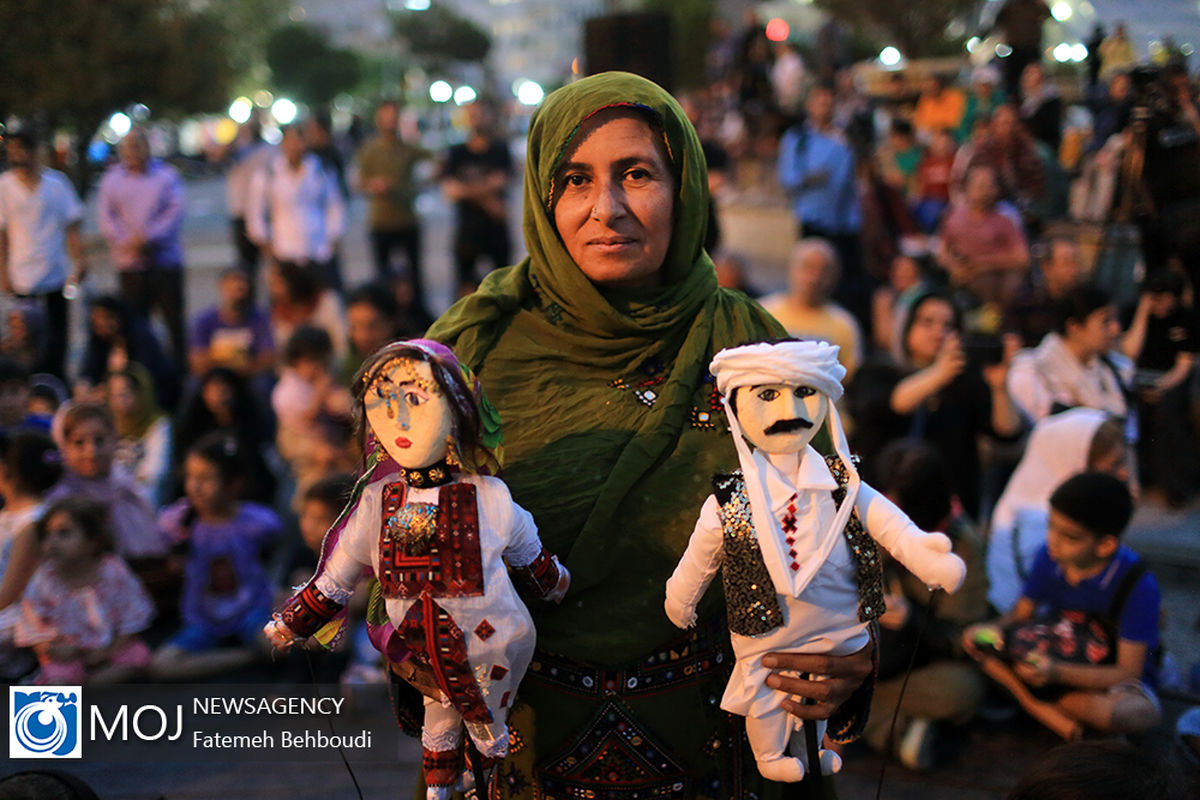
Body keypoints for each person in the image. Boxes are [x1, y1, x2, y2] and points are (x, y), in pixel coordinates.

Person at [425, 71, 875, 800]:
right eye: (575, 180)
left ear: (686, 184)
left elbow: (839, 532)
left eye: (637, 173)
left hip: (721, 751)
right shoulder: (472, 353)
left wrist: (851, 654)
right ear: (542, 198)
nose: (608, 209)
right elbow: (397, 536)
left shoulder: (750, 347)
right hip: (525, 756)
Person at [265, 340, 570, 798]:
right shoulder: (377, 501)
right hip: (424, 646)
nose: (399, 421)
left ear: (458, 412)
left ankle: (478, 781)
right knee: (440, 724)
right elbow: (337, 579)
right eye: (383, 405)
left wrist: (556, 585)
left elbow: (532, 560)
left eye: (414, 401)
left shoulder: (488, 496)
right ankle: (444, 787)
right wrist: (293, 622)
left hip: (497, 645)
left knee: (484, 733)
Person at [664, 340, 966, 782]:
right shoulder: (730, 499)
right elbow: (701, 554)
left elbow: (891, 527)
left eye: (804, 392)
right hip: (768, 629)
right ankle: (770, 757)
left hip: (836, 625)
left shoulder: (845, 482)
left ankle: (811, 752)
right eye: (768, 395)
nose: (789, 408)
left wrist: (925, 555)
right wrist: (681, 598)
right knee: (769, 691)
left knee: (818, 694)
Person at [964, 473, 1162, 740]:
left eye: (1070, 537)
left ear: (1105, 544)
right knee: (975, 644)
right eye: (1051, 526)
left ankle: (1037, 705)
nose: (1053, 541)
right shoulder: (1049, 556)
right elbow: (1023, 613)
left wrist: (1056, 674)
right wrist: (992, 629)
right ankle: (1054, 716)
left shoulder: (1137, 586)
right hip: (1053, 658)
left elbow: (1127, 672)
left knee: (1137, 714)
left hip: (1098, 678)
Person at [863, 441, 989, 772]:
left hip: (918, 662)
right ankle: (894, 728)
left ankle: (871, 722)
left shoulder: (961, 546)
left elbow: (960, 638)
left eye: (898, 512)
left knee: (963, 690)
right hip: (869, 651)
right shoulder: (866, 520)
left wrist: (911, 620)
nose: (888, 520)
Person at [849, 292, 1023, 520]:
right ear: (907, 327)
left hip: (944, 515)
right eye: (927, 322)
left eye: (948, 325)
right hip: (880, 509)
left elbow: (1007, 434)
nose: (938, 332)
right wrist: (939, 373)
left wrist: (1000, 387)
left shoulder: (965, 384)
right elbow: (894, 403)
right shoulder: (878, 371)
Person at [150, 433, 281, 680]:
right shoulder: (179, 522)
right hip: (203, 621)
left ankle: (252, 651)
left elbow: (276, 552)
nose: (195, 486)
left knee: (278, 646)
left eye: (206, 478)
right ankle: (246, 656)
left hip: (251, 614)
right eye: (190, 477)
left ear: (234, 484)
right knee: (162, 666)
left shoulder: (257, 522)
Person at [985, 408, 1128, 614]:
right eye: (1114, 464)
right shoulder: (1046, 521)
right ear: (1077, 462)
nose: (1123, 474)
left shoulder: (1026, 500)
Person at [15, 497, 155, 685]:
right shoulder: (45, 579)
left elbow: (133, 618)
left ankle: (88, 686)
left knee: (137, 656)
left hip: (112, 646)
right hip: (67, 653)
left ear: (93, 541)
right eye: (47, 535)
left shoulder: (113, 571)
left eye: (64, 533)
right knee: (59, 680)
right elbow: (32, 625)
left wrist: (107, 651)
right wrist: (48, 648)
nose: (52, 542)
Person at [778, 84, 867, 327]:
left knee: (844, 283)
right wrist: (809, 178)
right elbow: (787, 178)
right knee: (812, 278)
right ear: (810, 105)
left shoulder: (845, 137)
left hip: (844, 221)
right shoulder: (798, 139)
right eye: (820, 103)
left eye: (829, 103)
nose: (825, 108)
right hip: (813, 219)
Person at [0, 129, 86, 379]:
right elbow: (3, 235)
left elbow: (72, 227)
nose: (17, 155)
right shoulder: (5, 186)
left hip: (54, 272)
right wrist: (3, 272)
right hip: (21, 275)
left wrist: (79, 262)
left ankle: (56, 383)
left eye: (22, 149)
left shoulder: (56, 184)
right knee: (25, 338)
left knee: (58, 337)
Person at [97, 128, 187, 362]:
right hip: (130, 265)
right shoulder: (112, 180)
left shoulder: (166, 176)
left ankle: (179, 373)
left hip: (165, 262)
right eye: (129, 145)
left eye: (139, 144)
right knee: (135, 325)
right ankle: (141, 372)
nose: (134, 150)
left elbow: (174, 212)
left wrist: (148, 238)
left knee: (174, 324)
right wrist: (129, 242)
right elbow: (107, 219)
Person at [47, 403, 168, 560]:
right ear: (64, 447)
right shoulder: (61, 499)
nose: (91, 451)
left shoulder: (124, 487)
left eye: (100, 440)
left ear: (114, 439)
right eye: (79, 443)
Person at [1006, 285, 1132, 422]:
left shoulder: (1115, 368)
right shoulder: (1032, 370)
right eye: (1105, 321)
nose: (1116, 329)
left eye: (1115, 319)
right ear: (1074, 327)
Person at [355, 100, 431, 316]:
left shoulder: (409, 148)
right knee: (382, 275)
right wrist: (373, 185)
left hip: (407, 219)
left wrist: (417, 187)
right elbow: (358, 182)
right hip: (381, 221)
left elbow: (435, 163)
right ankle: (386, 314)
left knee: (415, 275)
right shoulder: (369, 150)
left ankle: (418, 315)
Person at [247, 124, 345, 293]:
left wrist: (333, 236)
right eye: (290, 140)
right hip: (284, 249)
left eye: (299, 140)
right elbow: (255, 211)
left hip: (319, 248)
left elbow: (334, 204)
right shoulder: (269, 173)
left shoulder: (320, 169)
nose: (295, 145)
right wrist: (264, 241)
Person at [0, 430, 62, 679]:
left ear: (6, 469)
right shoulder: (10, 516)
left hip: (24, 619)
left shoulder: (32, 523)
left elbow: (8, 594)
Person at [439, 101, 514, 296]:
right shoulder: (457, 152)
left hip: (496, 230)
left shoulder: (500, 149)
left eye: (479, 114)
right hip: (468, 231)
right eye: (471, 115)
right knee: (464, 291)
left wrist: (467, 190)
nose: (475, 119)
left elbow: (501, 181)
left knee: (504, 288)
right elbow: (450, 191)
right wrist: (488, 199)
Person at [759, 239, 863, 378]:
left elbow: (849, 376)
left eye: (823, 270)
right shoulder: (762, 313)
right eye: (807, 267)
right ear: (792, 269)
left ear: (836, 276)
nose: (815, 278)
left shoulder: (845, 325)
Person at [936, 163, 1031, 307]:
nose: (986, 191)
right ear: (967, 188)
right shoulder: (953, 218)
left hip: (1001, 277)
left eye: (990, 186)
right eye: (981, 186)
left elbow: (1023, 257)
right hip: (968, 277)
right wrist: (953, 267)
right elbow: (941, 252)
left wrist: (983, 264)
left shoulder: (1005, 219)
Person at [187, 267, 275, 381]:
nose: (238, 291)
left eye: (242, 288)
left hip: (249, 377)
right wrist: (238, 359)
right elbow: (196, 361)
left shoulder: (260, 319)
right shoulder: (204, 320)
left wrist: (221, 359)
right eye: (234, 287)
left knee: (263, 383)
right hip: (214, 377)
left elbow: (268, 359)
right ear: (222, 286)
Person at [106, 366, 172, 509]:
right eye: (114, 395)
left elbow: (155, 471)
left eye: (124, 394)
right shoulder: (107, 422)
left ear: (141, 394)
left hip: (143, 492)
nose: (118, 401)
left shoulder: (158, 424)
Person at [1003, 234, 1085, 348]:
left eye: (1077, 262)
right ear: (1047, 267)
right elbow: (1012, 343)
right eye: (1067, 263)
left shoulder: (1084, 303)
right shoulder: (1025, 301)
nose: (1074, 270)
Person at [220, 114, 275, 281]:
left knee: (274, 267)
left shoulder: (271, 149)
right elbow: (220, 158)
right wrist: (236, 135)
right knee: (246, 266)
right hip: (241, 213)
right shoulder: (238, 149)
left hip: (266, 214)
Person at [989, 0, 1052, 98]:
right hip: (1015, 47)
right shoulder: (1010, 6)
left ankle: (1033, 98)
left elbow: (1048, 15)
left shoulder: (1035, 5)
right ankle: (1014, 100)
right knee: (1013, 80)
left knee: (1034, 74)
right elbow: (997, 21)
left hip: (1031, 46)